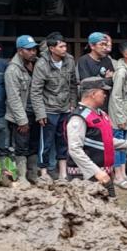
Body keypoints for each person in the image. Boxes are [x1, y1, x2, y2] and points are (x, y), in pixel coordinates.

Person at [67, 77, 127, 197]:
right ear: (93, 94)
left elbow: (106, 141)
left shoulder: (101, 114)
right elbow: (75, 149)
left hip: (104, 175)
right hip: (85, 177)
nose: (105, 95)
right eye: (103, 92)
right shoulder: (78, 117)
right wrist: (96, 172)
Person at [31, 32, 77, 184]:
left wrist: (72, 104)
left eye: (65, 46)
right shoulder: (42, 64)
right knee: (46, 142)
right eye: (61, 46)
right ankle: (43, 172)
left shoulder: (69, 60)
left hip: (65, 108)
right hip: (48, 109)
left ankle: (63, 173)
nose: (65, 49)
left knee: (63, 140)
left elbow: (73, 85)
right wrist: (40, 113)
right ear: (52, 48)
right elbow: (36, 91)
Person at [5, 35, 40, 185]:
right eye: (29, 49)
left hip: (35, 113)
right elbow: (13, 97)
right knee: (21, 147)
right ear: (20, 51)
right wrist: (22, 120)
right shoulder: (13, 70)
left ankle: (33, 174)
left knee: (33, 145)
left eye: (34, 49)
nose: (33, 52)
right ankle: (22, 176)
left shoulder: (36, 64)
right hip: (22, 115)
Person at [108, 43, 127, 189]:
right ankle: (118, 176)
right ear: (125, 54)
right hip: (119, 111)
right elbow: (116, 96)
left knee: (125, 143)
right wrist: (120, 117)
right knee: (118, 143)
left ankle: (124, 173)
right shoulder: (121, 72)